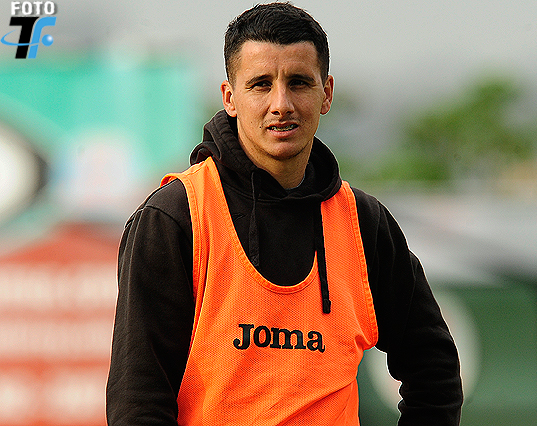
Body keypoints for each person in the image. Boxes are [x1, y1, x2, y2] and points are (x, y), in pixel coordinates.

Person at [106, 2, 463, 425]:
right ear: (230, 98)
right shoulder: (175, 217)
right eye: (261, 84)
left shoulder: (363, 223)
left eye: (298, 83)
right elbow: (138, 402)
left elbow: (434, 371)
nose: (281, 104)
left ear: (326, 93)